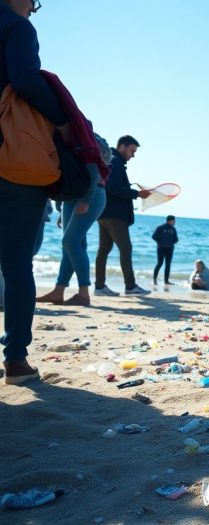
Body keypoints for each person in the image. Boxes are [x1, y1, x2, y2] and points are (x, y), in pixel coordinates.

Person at [1, 0, 70, 384]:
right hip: (12, 161)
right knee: (15, 263)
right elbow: (25, 78)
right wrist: (61, 120)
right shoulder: (15, 26)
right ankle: (15, 360)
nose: (34, 8)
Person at [36, 135, 112, 307]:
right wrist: (59, 208)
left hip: (90, 196)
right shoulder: (63, 140)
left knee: (70, 243)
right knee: (71, 247)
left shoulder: (82, 140)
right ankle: (58, 291)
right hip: (70, 197)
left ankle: (83, 294)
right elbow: (63, 174)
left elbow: (93, 173)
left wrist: (85, 200)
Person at [94, 135, 151, 296]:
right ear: (122, 147)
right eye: (132, 151)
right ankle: (130, 286)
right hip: (114, 214)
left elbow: (110, 187)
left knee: (104, 249)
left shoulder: (112, 161)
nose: (133, 155)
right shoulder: (115, 162)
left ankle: (99, 287)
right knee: (126, 248)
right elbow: (112, 188)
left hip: (103, 212)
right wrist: (137, 193)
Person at [152, 215, 178, 285]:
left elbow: (176, 240)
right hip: (161, 248)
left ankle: (166, 281)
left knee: (168, 265)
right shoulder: (160, 227)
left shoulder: (173, 229)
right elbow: (154, 236)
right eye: (174, 220)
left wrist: (171, 242)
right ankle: (154, 279)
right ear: (170, 221)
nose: (175, 222)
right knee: (160, 263)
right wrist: (160, 242)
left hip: (170, 249)